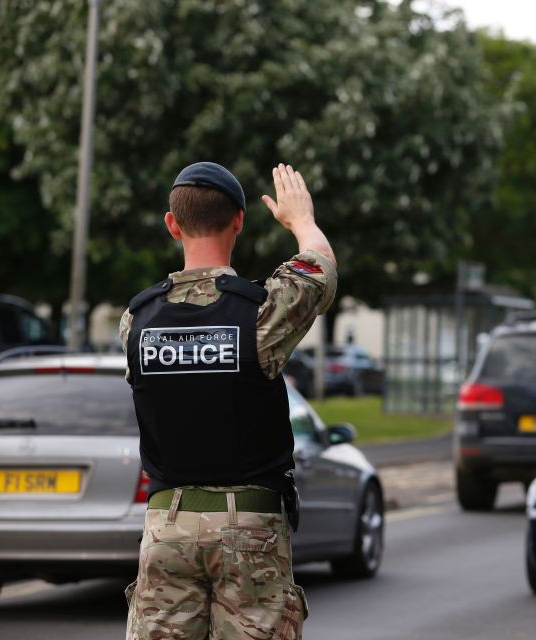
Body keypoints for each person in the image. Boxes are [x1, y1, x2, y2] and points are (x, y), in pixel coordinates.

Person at [120, 161, 336, 640]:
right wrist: (300, 221)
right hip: (251, 524)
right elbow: (317, 268)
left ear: (171, 224)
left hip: (166, 523)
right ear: (239, 221)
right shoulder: (260, 314)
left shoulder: (136, 321)